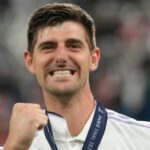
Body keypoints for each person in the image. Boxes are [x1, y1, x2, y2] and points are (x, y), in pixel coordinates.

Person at [1, 3, 150, 150]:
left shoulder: (144, 139)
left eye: (73, 45)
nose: (61, 57)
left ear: (94, 59)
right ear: (30, 61)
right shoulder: (16, 145)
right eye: (48, 47)